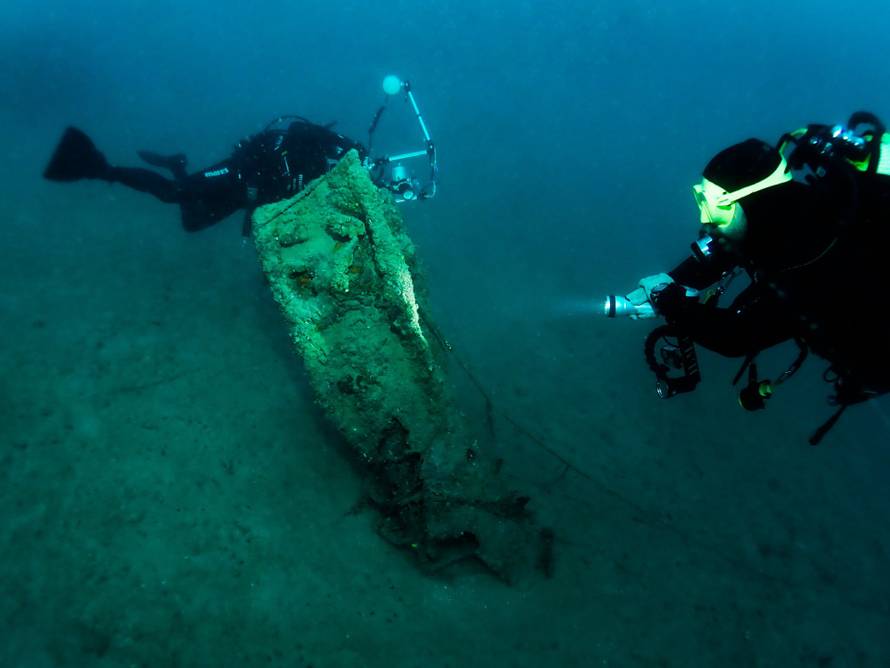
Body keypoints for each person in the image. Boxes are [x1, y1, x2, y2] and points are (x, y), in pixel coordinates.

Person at [624, 111, 890, 444]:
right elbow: (725, 247)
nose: (704, 216)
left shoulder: (816, 258)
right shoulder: (775, 218)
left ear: (754, 201)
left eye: (718, 206)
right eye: (700, 198)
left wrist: (671, 303)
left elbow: (737, 336)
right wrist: (672, 280)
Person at [43, 116, 367, 233]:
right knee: (174, 193)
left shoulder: (321, 170)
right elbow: (286, 142)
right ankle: (100, 168)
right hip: (235, 173)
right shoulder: (308, 145)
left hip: (243, 198)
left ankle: (175, 164)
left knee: (191, 224)